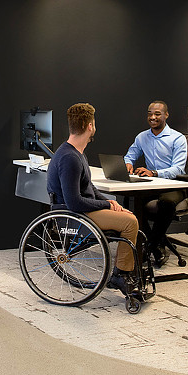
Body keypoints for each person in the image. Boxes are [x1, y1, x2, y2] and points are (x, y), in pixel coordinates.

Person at [47, 103, 139, 294]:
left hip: (83, 210)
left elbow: (89, 188)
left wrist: (111, 203)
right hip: (74, 213)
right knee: (130, 223)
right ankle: (121, 274)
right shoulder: (69, 158)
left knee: (127, 216)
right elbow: (74, 202)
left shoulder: (76, 153)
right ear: (90, 126)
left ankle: (126, 270)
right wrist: (106, 203)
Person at [123, 100, 187, 268]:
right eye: (150, 113)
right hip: (151, 184)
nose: (153, 117)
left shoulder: (177, 138)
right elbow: (130, 155)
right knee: (132, 204)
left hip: (173, 184)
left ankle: (151, 246)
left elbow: (178, 168)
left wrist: (155, 172)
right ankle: (155, 245)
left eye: (157, 114)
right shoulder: (142, 137)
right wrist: (128, 163)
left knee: (166, 203)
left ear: (166, 115)